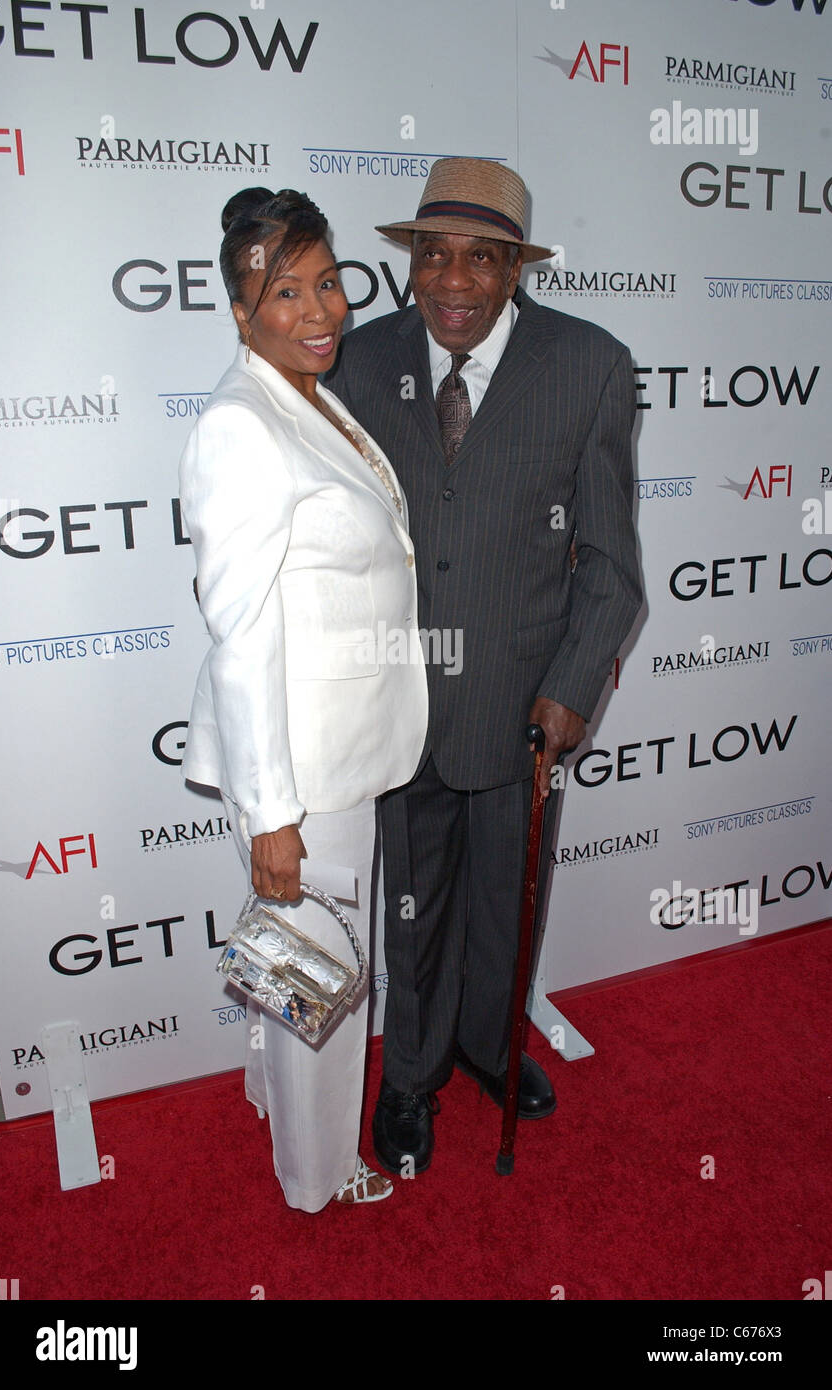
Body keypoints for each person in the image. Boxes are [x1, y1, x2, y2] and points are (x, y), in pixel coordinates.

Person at [326, 158, 642, 1174]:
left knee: (511, 900)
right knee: (412, 904)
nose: (454, 280)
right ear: (411, 260)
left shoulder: (589, 363)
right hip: (399, 699)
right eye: (434, 253)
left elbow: (611, 562)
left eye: (483, 257)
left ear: (516, 270)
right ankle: (410, 1075)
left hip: (522, 702)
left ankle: (490, 1048)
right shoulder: (356, 361)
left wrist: (572, 687)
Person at [179, 187, 428, 1209]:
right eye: (286, 292)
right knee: (322, 983)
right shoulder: (241, 427)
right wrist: (271, 811)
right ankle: (320, 1174)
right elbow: (238, 631)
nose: (320, 309)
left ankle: (266, 1093)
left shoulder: (310, 396)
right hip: (302, 759)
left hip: (334, 740)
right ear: (241, 312)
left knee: (294, 961)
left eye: (327, 282)